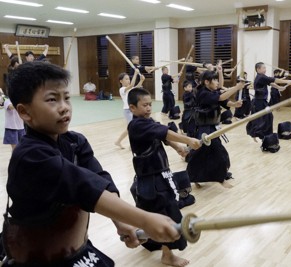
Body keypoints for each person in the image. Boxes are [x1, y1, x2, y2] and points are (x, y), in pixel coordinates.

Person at [2, 61, 183, 266]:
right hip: (36, 257)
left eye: (67, 98)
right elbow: (83, 186)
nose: (64, 107)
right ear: (25, 112)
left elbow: (99, 178)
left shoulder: (75, 142)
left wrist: (121, 222)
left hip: (73, 248)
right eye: (52, 99)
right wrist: (144, 219)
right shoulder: (30, 156)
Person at [127, 87, 201, 266]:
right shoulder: (137, 125)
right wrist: (189, 140)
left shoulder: (147, 121)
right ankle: (167, 254)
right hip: (150, 179)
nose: (148, 108)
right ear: (132, 108)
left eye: (150, 104)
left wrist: (178, 148)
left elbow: (163, 138)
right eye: (144, 105)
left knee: (154, 213)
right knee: (165, 215)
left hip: (159, 176)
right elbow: (165, 133)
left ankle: (148, 239)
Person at [186, 69, 244, 188]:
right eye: (215, 80)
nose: (217, 82)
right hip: (204, 128)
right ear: (207, 82)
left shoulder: (211, 91)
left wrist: (234, 104)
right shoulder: (203, 93)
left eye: (217, 79)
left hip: (212, 127)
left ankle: (213, 177)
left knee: (211, 153)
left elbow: (223, 101)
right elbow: (221, 97)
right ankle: (197, 178)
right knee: (210, 152)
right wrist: (236, 87)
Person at [246, 62, 291, 141]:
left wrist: (279, 88)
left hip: (262, 101)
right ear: (258, 69)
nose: (265, 69)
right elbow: (274, 79)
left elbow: (271, 83)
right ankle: (258, 134)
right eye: (263, 68)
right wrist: (287, 81)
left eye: (265, 68)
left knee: (267, 118)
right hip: (258, 102)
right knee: (261, 119)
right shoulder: (260, 77)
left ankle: (263, 135)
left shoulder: (262, 77)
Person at [115, 69, 144, 149]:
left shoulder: (129, 89)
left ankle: (118, 142)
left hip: (133, 110)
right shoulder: (122, 89)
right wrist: (135, 74)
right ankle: (132, 144)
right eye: (126, 79)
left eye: (129, 79)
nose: (128, 80)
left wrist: (141, 80)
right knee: (132, 128)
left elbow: (136, 87)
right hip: (127, 111)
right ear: (121, 81)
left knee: (130, 128)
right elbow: (131, 86)